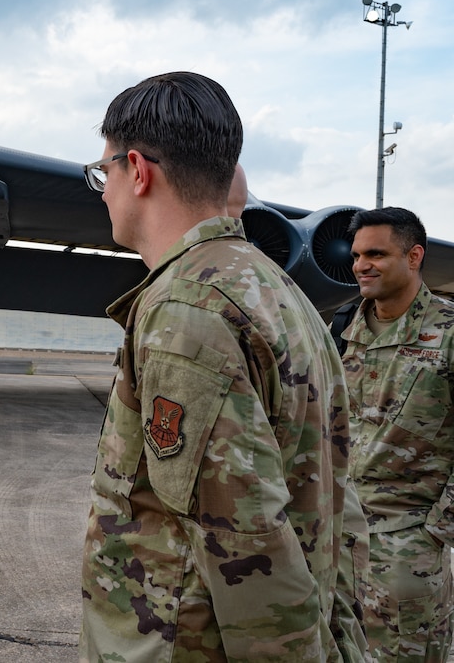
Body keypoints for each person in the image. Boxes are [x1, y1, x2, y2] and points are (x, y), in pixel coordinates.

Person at [79, 71, 364, 660]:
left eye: (102, 170)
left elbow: (247, 542)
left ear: (137, 170)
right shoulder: (278, 289)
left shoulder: (187, 310)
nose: (103, 188)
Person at [342, 206, 454, 660]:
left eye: (376, 254)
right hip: (340, 541)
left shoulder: (447, 332)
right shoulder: (345, 328)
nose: (360, 265)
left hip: (407, 550)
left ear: (413, 257)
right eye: (355, 255)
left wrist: (436, 531)